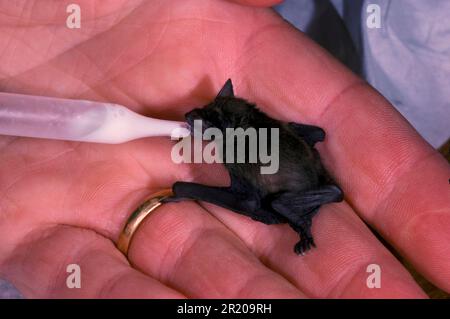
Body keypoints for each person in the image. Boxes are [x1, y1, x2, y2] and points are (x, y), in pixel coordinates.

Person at [0, 0, 448, 298]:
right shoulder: (246, 133)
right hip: (302, 170)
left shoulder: (236, 151)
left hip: (289, 183)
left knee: (256, 194)